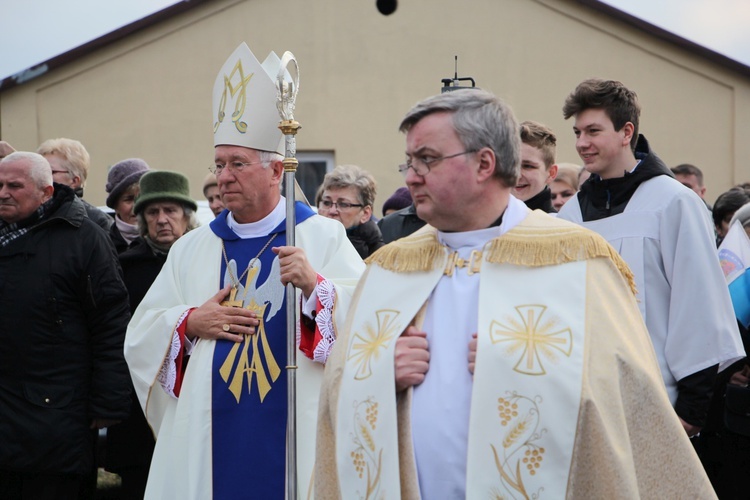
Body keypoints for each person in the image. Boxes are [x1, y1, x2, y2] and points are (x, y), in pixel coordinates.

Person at [316, 89, 716, 498]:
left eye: (428, 160)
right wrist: (379, 372)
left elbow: (623, 400)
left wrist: (517, 366)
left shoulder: (577, 261)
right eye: (410, 161)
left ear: (484, 164)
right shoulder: (388, 269)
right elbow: (333, 392)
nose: (411, 176)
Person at [124, 42, 364, 499]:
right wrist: (189, 322)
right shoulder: (194, 248)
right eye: (218, 164)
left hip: (296, 427)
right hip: (210, 433)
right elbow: (139, 338)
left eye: (237, 163)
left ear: (277, 170)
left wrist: (317, 287)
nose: (223, 177)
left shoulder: (322, 238)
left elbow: (370, 324)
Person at [557, 78, 744, 438]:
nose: (581, 143)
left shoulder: (673, 203)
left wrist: (691, 412)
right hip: (586, 401)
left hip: (661, 401)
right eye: (577, 132)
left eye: (593, 131)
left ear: (626, 132)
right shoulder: (571, 215)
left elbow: (699, 307)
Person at [0, 152, 131, 499]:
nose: (2, 193)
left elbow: (111, 321)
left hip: (58, 411)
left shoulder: (84, 237)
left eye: (14, 185)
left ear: (46, 191)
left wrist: (108, 402)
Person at [106, 171, 199, 499]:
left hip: (196, 394)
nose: (162, 220)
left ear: (186, 216)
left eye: (170, 211)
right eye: (153, 212)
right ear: (142, 219)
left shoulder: (208, 263)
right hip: (139, 402)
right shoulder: (124, 268)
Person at [37, 138, 113, 231]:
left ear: (74, 181)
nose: (41, 176)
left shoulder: (98, 221)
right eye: (39, 170)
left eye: (50, 171)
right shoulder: (28, 214)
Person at [317, 164, 384, 258]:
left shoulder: (379, 257)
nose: (332, 211)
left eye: (343, 204)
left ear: (365, 214)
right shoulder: (304, 243)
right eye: (327, 203)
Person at [105, 158, 150, 253]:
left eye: (141, 197)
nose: (136, 207)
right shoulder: (103, 246)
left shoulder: (165, 242)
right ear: (115, 206)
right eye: (129, 199)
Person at [513, 120, 558, 213]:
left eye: (527, 166)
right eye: (510, 165)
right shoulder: (482, 223)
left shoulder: (562, 226)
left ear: (551, 173)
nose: (517, 175)